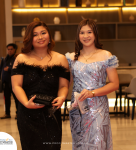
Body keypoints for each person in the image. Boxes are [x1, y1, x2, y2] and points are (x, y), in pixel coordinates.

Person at [11, 21, 70, 150]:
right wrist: (26, 103)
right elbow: (16, 86)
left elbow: (63, 86)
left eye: (43, 33)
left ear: (49, 35)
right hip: (27, 115)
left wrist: (62, 98)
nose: (40, 37)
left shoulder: (61, 59)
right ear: (29, 39)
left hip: (51, 113)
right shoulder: (21, 58)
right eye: (35, 34)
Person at [65, 19, 119, 150]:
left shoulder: (106, 55)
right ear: (78, 36)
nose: (86, 36)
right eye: (82, 32)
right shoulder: (72, 58)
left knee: (98, 142)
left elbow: (114, 84)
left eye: (89, 32)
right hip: (78, 109)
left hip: (98, 109)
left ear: (95, 34)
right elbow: (67, 83)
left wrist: (92, 93)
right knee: (80, 143)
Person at [0, 43, 19, 119]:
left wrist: (9, 69)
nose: (10, 51)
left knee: (16, 99)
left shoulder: (17, 58)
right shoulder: (4, 59)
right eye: (8, 49)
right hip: (6, 82)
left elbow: (19, 69)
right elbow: (0, 69)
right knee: (7, 99)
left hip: (14, 83)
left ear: (14, 50)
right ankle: (7, 114)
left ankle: (18, 114)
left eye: (11, 49)